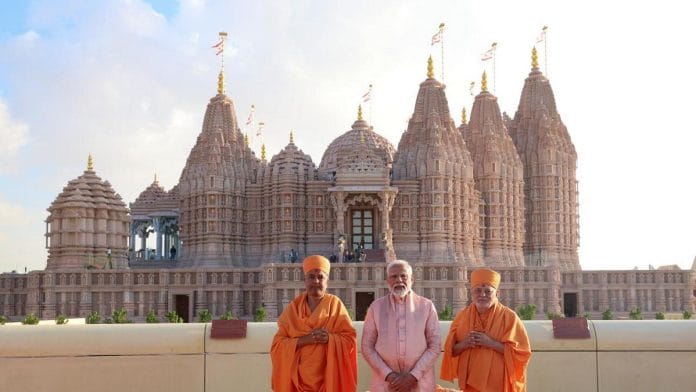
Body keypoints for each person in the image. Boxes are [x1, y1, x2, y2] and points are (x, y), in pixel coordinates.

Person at [271, 255, 357, 392]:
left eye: (320, 277)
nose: (316, 281)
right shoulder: (293, 309)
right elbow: (277, 345)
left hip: (329, 380)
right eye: (311, 277)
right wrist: (304, 340)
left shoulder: (335, 306)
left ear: (327, 281)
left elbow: (349, 339)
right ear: (305, 280)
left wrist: (330, 339)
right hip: (297, 381)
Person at [440, 268, 531, 392]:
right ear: (471, 293)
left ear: (497, 293)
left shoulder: (509, 317)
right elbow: (451, 351)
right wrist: (465, 344)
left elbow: (522, 353)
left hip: (498, 385)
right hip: (469, 384)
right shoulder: (462, 317)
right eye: (478, 290)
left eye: (488, 291)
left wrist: (490, 343)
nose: (482, 295)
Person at [361, 260, 441, 391]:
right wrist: (389, 375)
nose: (399, 280)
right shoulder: (376, 307)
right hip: (385, 383)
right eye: (394, 276)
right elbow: (366, 347)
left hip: (419, 382)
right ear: (387, 281)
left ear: (412, 279)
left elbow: (435, 346)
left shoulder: (426, 306)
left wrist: (413, 376)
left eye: (403, 276)